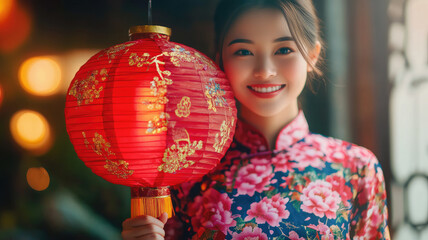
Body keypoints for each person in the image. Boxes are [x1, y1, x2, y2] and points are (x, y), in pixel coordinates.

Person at [121, 0, 390, 239]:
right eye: (243, 52)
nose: (265, 71)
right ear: (220, 61)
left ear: (312, 55)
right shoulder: (187, 175)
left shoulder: (356, 168)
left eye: (284, 50)